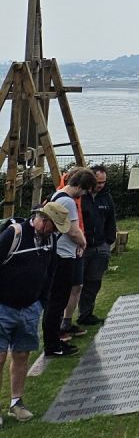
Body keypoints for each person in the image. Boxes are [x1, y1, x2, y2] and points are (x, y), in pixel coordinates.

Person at [0, 201, 72, 423]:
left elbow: (50, 273)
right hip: (3, 306)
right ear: (43, 220)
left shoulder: (51, 240)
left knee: (21, 354)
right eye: (54, 226)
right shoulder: (15, 234)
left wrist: (41, 302)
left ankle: (16, 403)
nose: (56, 232)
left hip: (30, 308)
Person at [42, 168, 92, 358]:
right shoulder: (69, 201)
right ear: (79, 186)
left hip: (59, 253)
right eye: (85, 190)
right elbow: (72, 230)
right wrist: (83, 243)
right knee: (57, 301)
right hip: (63, 257)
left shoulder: (57, 195)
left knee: (55, 301)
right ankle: (52, 345)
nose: (84, 194)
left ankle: (54, 339)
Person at [78, 165, 117, 325]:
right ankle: (64, 321)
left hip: (100, 246)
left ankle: (86, 314)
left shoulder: (106, 197)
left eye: (103, 182)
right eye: (98, 182)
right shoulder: (80, 196)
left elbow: (111, 219)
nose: (101, 185)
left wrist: (108, 241)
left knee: (93, 282)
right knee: (75, 284)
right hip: (81, 247)